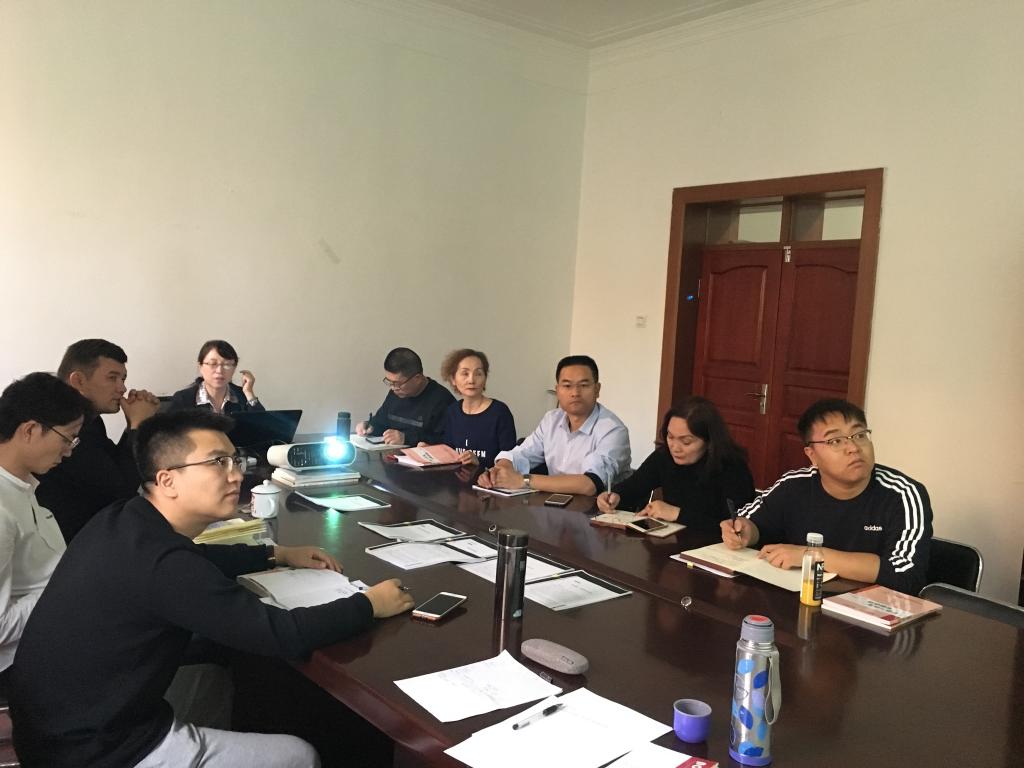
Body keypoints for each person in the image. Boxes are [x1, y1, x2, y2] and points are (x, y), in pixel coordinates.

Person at [10, 409, 415, 768]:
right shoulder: (164, 564)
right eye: (218, 462)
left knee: (221, 671)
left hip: (53, 726)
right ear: (168, 480)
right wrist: (368, 604)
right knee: (298, 755)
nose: (236, 473)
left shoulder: (126, 519)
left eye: (234, 460)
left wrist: (274, 554)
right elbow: (278, 633)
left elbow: (194, 559)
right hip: (97, 751)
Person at [722, 398, 932, 594]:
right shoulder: (794, 485)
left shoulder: (903, 494)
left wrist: (811, 556)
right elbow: (751, 524)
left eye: (860, 435)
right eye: (835, 441)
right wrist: (745, 531)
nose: (853, 448)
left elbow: (906, 575)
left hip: (867, 610)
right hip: (799, 601)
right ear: (812, 455)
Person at [0, 373, 89, 697]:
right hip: (24, 664)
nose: (68, 451)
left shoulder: (22, 487)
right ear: (30, 430)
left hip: (57, 633)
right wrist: (69, 585)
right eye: (67, 438)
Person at [35, 338, 160, 541]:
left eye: (123, 379)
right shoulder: (62, 426)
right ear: (78, 381)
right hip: (71, 541)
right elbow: (121, 490)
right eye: (112, 378)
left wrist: (133, 425)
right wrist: (138, 425)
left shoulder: (92, 421)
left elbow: (114, 468)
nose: (122, 388)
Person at [596, 397, 755, 533]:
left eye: (686, 441)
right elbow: (634, 486)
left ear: (709, 441)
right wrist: (615, 496)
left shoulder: (732, 468)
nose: (675, 447)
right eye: (670, 437)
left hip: (713, 550)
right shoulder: (664, 456)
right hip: (671, 543)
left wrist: (676, 514)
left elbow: (738, 527)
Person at [478, 355, 630, 496]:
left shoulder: (613, 430)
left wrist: (523, 480)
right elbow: (522, 453)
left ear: (597, 389)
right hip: (556, 505)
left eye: (583, 385)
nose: (575, 393)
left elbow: (589, 484)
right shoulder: (552, 420)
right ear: (557, 390)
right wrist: (501, 470)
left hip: (600, 510)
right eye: (567, 386)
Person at [428, 348, 516, 468]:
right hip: (456, 477)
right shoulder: (452, 411)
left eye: (478, 374)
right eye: (465, 373)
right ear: (453, 379)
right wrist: (429, 451)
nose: (471, 380)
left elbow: (510, 461)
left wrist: (479, 463)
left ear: (485, 378)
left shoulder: (499, 412)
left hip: (489, 478)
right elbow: (449, 454)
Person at [355, 347, 454, 445]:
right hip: (390, 453)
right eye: (389, 382)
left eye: (397, 383)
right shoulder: (396, 393)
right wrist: (370, 426)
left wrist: (406, 438)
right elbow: (381, 422)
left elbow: (448, 441)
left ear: (417, 378)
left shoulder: (441, 401)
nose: (393, 388)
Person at [169, 339, 265, 415]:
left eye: (227, 364)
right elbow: (171, 432)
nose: (219, 370)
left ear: (234, 367)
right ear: (200, 366)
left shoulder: (242, 396)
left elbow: (263, 428)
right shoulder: (183, 399)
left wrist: (249, 393)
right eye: (213, 364)